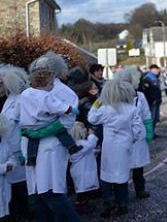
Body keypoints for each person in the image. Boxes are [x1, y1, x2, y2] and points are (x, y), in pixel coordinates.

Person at [19, 53, 81, 222]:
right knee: (40, 194)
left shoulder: (64, 91)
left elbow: (68, 119)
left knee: (51, 191)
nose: (40, 71)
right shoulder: (30, 92)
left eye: (44, 68)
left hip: (51, 146)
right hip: (33, 146)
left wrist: (42, 131)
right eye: (37, 68)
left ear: (54, 70)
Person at [88, 79, 145, 218]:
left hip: (109, 147)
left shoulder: (106, 109)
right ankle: (122, 204)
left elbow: (91, 118)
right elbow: (137, 129)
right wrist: (130, 139)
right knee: (122, 175)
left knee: (106, 175)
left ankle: (108, 202)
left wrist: (97, 102)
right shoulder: (132, 109)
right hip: (124, 147)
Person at [114, 67, 154, 199]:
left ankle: (140, 189)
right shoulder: (116, 98)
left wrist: (149, 131)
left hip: (138, 137)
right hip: (122, 136)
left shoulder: (140, 96)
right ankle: (122, 195)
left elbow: (146, 114)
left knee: (138, 166)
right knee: (122, 167)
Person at [0, 65, 30, 220]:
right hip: (7, 149)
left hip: (17, 148)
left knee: (20, 186)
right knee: (9, 188)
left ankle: (24, 215)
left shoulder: (20, 100)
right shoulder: (6, 100)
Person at [69, 122, 99, 213]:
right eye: (84, 128)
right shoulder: (81, 144)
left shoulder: (76, 144)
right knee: (81, 191)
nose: (86, 129)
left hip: (80, 171)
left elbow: (86, 151)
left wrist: (94, 151)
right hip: (82, 171)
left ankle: (83, 204)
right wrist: (92, 135)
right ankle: (80, 206)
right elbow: (90, 145)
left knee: (83, 189)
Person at [0, 115, 16, 220]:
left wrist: (11, 165)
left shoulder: (4, 140)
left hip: (4, 182)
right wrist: (5, 167)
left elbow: (12, 157)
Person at [141, 64, 162, 135]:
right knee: (152, 118)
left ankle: (153, 132)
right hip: (152, 101)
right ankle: (150, 133)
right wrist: (152, 99)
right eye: (156, 69)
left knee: (156, 118)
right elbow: (148, 91)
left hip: (157, 100)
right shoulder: (148, 78)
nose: (158, 71)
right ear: (152, 69)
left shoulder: (155, 77)